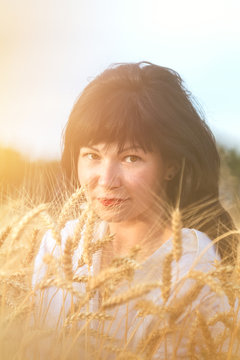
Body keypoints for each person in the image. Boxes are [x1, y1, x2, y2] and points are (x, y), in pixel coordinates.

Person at [32, 62, 238, 358]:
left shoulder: (196, 265)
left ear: (171, 165)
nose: (106, 180)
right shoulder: (58, 245)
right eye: (92, 155)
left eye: (130, 158)